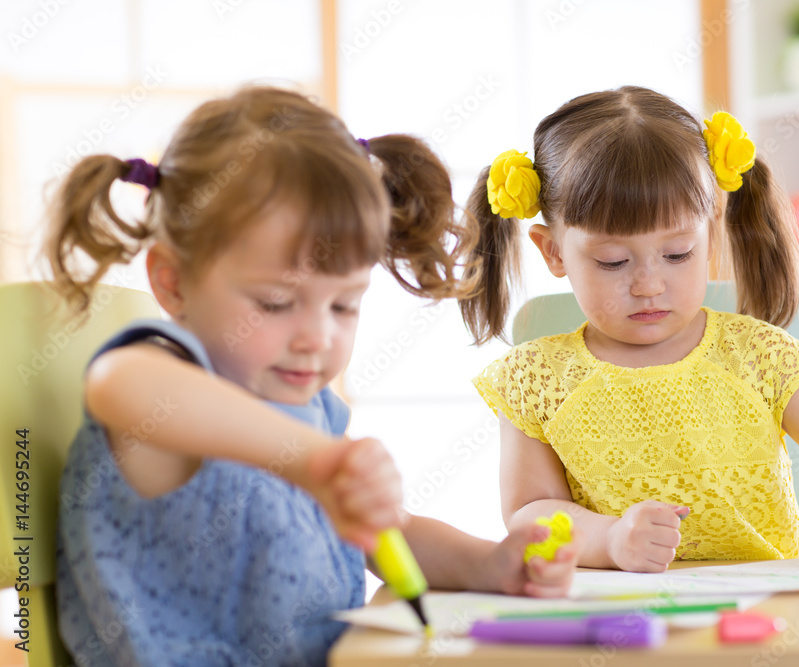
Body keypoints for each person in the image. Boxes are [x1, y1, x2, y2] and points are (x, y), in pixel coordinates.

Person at [49, 85, 577, 666]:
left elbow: (389, 534)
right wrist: (317, 461)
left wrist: (487, 564)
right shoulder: (165, 384)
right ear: (174, 283)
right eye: (276, 303)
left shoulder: (311, 410)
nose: (318, 337)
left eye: (344, 305)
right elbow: (118, 385)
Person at [461, 85, 799, 572]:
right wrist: (609, 538)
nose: (648, 285)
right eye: (612, 261)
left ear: (711, 230)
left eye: (677, 254)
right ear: (553, 251)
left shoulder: (757, 356)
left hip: (769, 606)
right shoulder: (537, 379)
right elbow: (530, 512)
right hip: (622, 616)